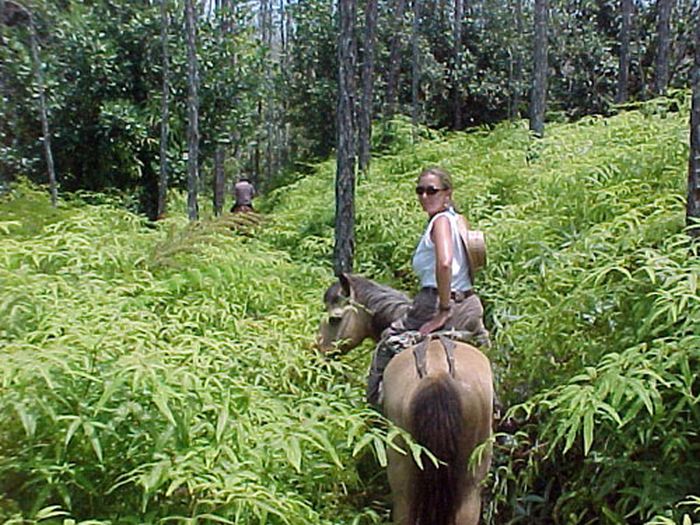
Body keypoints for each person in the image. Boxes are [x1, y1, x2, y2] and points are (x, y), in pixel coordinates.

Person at [366, 166, 491, 407]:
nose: (424, 197)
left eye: (431, 191)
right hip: (470, 306)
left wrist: (443, 310)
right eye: (420, 191)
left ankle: (373, 414)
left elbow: (444, 263)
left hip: (433, 304)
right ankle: (496, 409)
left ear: (447, 193)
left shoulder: (440, 222)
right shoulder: (458, 220)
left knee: (387, 343)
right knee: (485, 353)